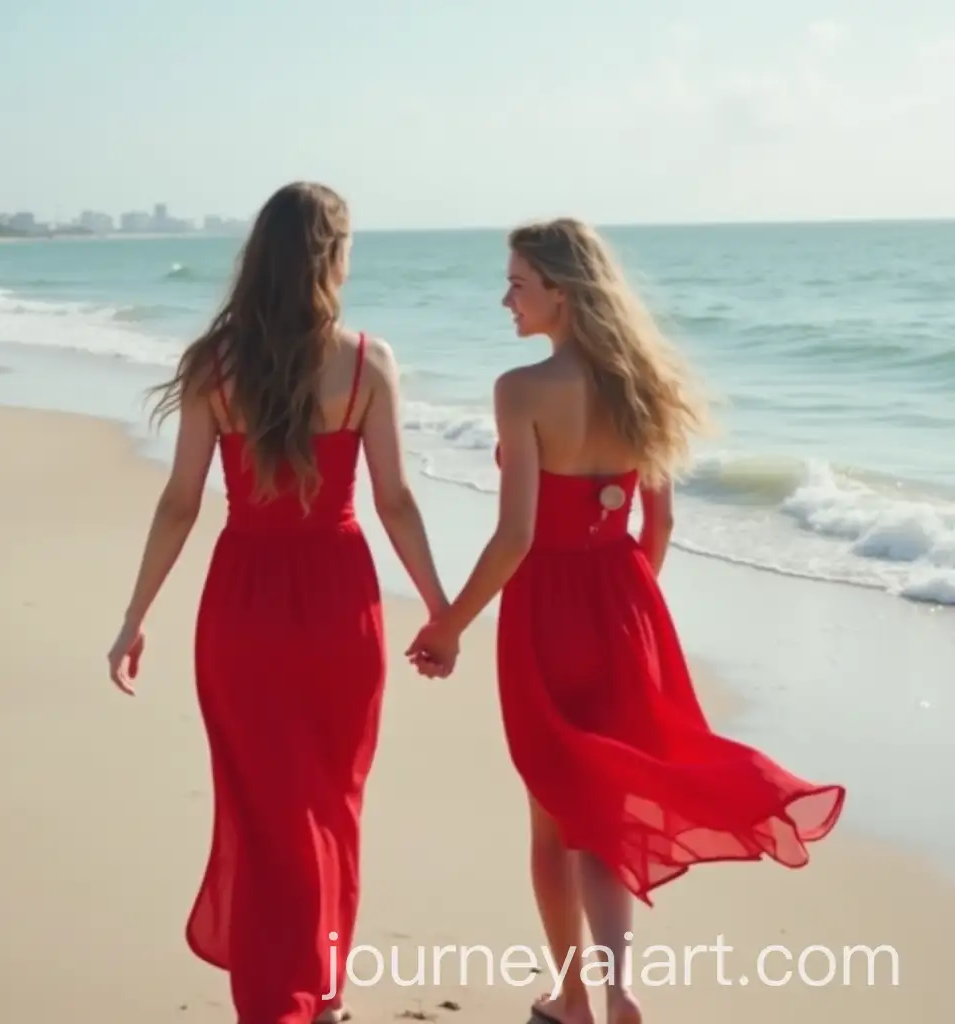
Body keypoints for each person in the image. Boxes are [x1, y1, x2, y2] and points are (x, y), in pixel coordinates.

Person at [406, 218, 846, 1024]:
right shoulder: (648, 386)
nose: (505, 298)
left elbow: (515, 537)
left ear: (562, 294)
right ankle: (617, 988)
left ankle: (571, 995)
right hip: (629, 606)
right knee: (602, 813)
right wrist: (629, 609)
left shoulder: (520, 390)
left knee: (551, 821)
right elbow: (662, 526)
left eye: (518, 283)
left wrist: (450, 627)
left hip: (544, 614)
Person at [106, 182, 451, 1024]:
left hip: (242, 602)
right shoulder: (367, 361)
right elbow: (395, 500)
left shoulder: (213, 367)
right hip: (338, 598)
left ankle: (275, 997)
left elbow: (181, 502)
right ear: (331, 256)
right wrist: (442, 610)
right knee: (333, 799)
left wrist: (134, 615)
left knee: (260, 805)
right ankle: (321, 993)